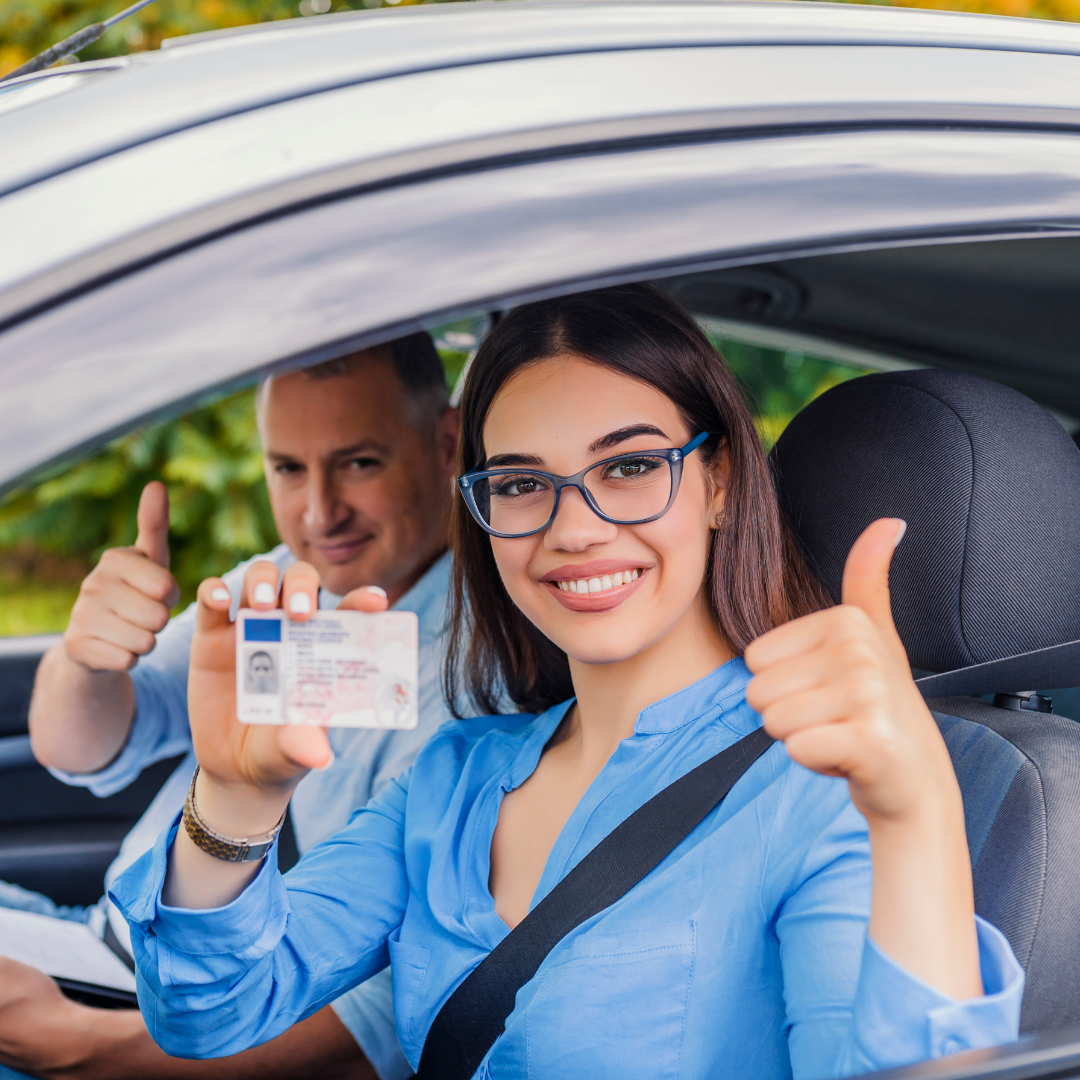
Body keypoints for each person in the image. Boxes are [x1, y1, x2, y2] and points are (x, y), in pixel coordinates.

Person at [113, 285, 1022, 1079]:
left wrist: (918, 813)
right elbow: (209, 1017)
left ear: (718, 480)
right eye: (519, 483)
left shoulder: (824, 791)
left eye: (628, 467)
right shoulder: (453, 778)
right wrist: (234, 800)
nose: (573, 528)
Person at [0, 333, 459, 1080]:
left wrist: (77, 1047)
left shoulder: (482, 678)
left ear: (447, 443)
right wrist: (88, 658)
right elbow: (82, 747)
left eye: (359, 462)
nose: (319, 513)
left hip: (151, 1034)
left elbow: (378, 1023)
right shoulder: (280, 580)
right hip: (97, 951)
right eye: (287, 468)